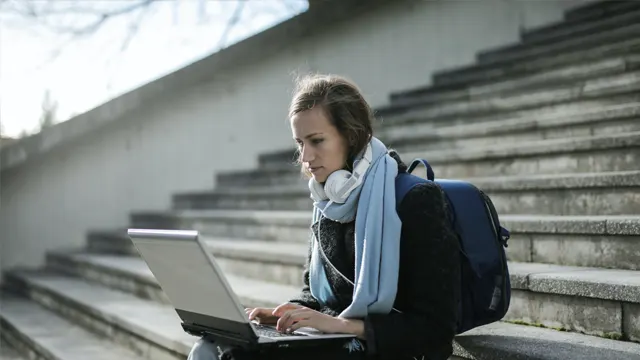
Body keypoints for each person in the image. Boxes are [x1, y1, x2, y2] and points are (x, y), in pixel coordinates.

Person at [188, 74, 461, 360]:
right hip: (336, 341)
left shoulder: (417, 200)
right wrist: (284, 313)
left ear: (351, 135)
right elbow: (315, 295)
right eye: (299, 143)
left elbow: (436, 327)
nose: (305, 157)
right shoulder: (327, 199)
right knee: (211, 347)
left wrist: (343, 325)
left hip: (388, 348)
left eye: (316, 140)